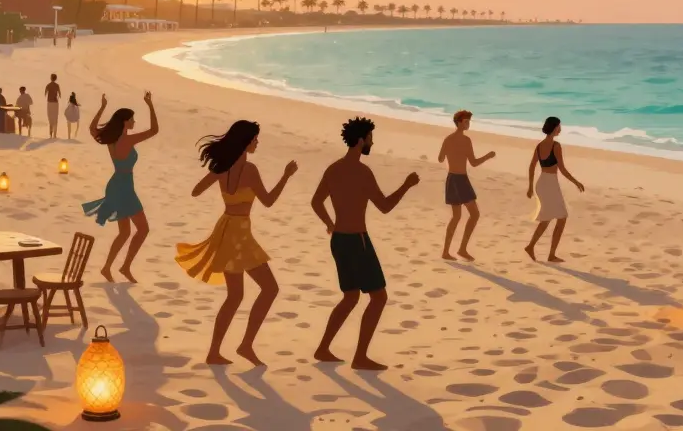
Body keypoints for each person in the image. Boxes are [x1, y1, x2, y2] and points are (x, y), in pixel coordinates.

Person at [177, 121, 299, 365]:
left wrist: (217, 175)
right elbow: (268, 201)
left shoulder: (223, 168)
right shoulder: (250, 170)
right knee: (269, 289)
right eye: (254, 139)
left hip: (227, 228)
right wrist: (285, 176)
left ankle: (216, 351)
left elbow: (196, 191)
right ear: (245, 142)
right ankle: (244, 345)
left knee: (235, 296)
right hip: (239, 235)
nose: (257, 143)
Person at [311, 117, 420, 370]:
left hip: (339, 240)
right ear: (361, 141)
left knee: (350, 297)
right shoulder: (362, 171)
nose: (372, 141)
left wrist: (330, 224)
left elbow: (316, 202)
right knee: (378, 297)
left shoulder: (333, 168)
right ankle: (360, 357)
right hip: (357, 240)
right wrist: (406, 185)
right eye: (370, 137)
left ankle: (323, 348)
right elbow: (384, 207)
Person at [82, 92, 159, 283]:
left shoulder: (111, 138)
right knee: (143, 229)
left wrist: (102, 107)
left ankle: (108, 268)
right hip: (123, 187)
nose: (134, 121)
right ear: (125, 121)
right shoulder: (126, 140)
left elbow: (92, 128)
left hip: (117, 184)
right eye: (132, 119)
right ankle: (124, 266)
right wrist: (150, 105)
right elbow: (154, 130)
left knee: (125, 232)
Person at [438, 110, 495, 260]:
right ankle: (462, 249)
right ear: (459, 122)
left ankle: (446, 251)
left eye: (469, 121)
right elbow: (474, 163)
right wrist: (488, 156)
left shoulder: (448, 139)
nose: (468, 124)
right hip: (461, 180)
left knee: (456, 217)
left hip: (451, 179)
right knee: (474, 214)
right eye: (466, 122)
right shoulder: (466, 140)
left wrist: (451, 155)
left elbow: (440, 158)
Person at [526, 116, 584, 262]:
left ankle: (532, 247)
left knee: (547, 219)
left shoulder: (539, 145)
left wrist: (530, 186)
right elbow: (562, 169)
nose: (561, 129)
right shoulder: (556, 146)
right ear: (554, 127)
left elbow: (532, 166)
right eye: (559, 126)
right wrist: (576, 182)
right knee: (561, 218)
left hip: (541, 183)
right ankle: (550, 254)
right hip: (550, 184)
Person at [45, 74, 62, 139]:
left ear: (51, 78)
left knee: (50, 118)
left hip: (49, 102)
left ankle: (50, 134)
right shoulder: (57, 85)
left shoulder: (48, 85)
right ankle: (54, 134)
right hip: (55, 103)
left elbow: (45, 93)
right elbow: (60, 95)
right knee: (55, 118)